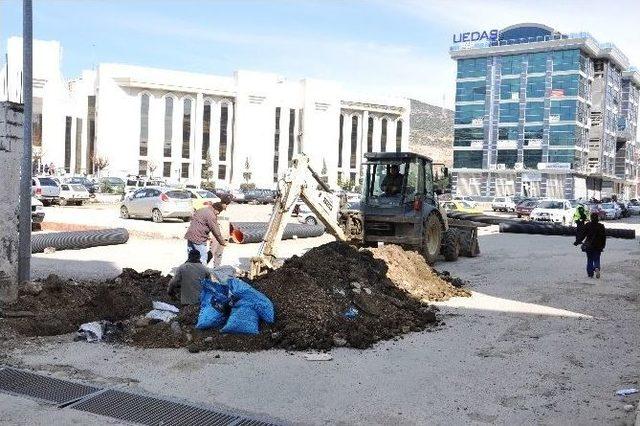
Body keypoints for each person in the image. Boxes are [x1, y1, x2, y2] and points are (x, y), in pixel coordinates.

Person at [184, 201, 227, 266]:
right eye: (218, 212)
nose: (218, 214)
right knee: (203, 258)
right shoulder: (211, 215)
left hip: (190, 236)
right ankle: (201, 274)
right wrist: (222, 242)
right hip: (199, 238)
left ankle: (187, 272)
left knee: (191, 257)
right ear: (216, 209)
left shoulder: (201, 210)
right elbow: (215, 230)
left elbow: (199, 223)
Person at [574, 212, 606, 279]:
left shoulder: (588, 225)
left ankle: (590, 274)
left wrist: (577, 241)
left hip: (589, 245)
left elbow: (583, 235)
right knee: (597, 258)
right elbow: (604, 237)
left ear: (591, 218)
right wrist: (603, 246)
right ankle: (596, 267)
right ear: (597, 218)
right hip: (598, 245)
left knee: (590, 259)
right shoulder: (601, 226)